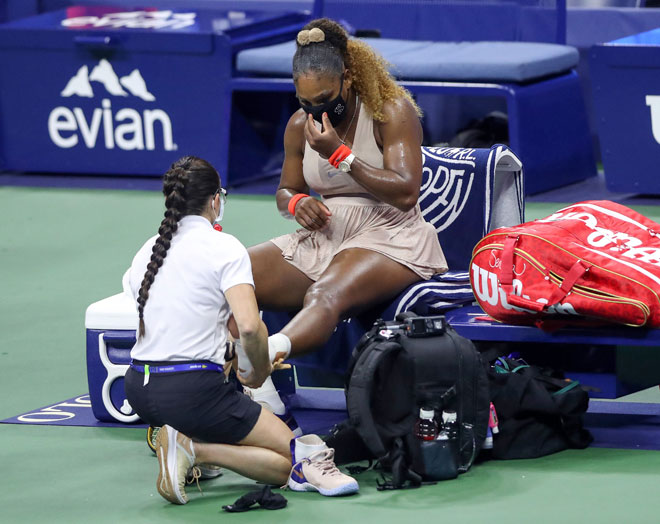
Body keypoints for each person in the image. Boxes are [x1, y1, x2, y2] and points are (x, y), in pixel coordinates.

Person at [122, 156, 358, 505]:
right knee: (291, 460)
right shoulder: (225, 247)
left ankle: (182, 437)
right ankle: (195, 449)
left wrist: (225, 355)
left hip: (139, 389)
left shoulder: (148, 249)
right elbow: (249, 326)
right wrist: (258, 369)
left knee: (242, 425)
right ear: (215, 200)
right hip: (194, 392)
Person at [245, 18, 448, 410]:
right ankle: (262, 396)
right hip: (328, 233)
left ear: (348, 78)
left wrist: (340, 154)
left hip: (392, 234)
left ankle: (266, 356)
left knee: (323, 293)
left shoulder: (392, 110)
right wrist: (295, 203)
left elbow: (406, 192)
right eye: (306, 102)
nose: (316, 109)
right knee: (232, 274)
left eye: (324, 98)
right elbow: (286, 190)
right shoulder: (297, 127)